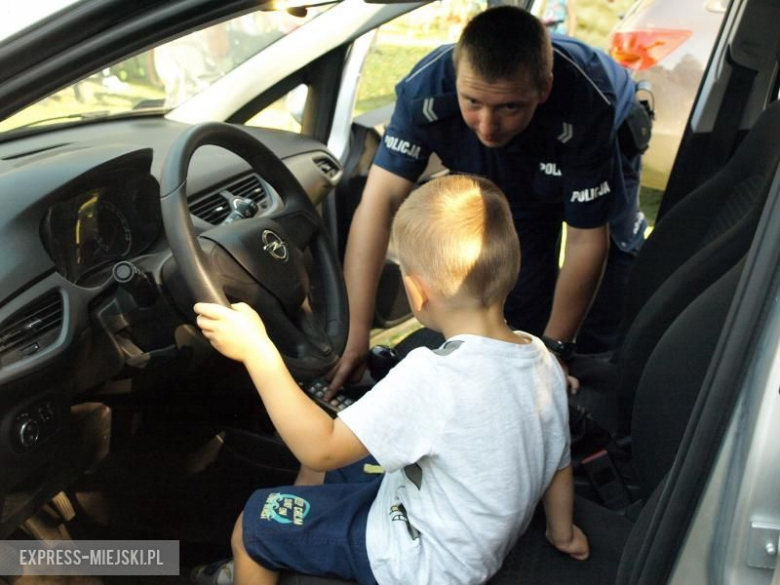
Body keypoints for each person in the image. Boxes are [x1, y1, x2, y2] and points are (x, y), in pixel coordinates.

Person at [192, 175, 589, 585]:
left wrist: (259, 352)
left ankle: (255, 560)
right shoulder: (540, 357)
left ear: (417, 294)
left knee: (255, 524)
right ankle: (305, 544)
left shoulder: (433, 376)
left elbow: (320, 449)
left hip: (415, 561)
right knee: (331, 474)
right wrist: (562, 533)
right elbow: (557, 460)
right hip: (467, 545)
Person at [328, 6, 647, 396]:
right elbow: (378, 205)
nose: (488, 125)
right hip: (532, 144)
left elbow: (585, 239)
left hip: (595, 134)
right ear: (456, 77)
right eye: (472, 101)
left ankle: (593, 378)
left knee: (612, 277)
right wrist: (356, 332)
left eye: (508, 106)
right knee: (515, 265)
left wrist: (554, 353)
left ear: (543, 89)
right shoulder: (425, 88)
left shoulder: (585, 103)